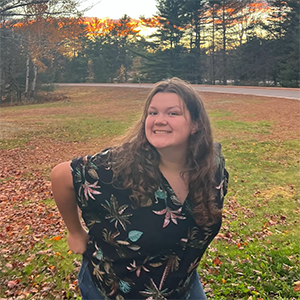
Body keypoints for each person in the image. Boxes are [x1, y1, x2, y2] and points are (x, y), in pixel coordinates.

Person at [51, 77, 229, 300]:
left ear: (196, 125)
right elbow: (61, 175)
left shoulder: (211, 165)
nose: (159, 120)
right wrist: (75, 232)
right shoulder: (116, 168)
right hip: (116, 289)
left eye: (172, 113)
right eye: (152, 113)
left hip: (183, 285)